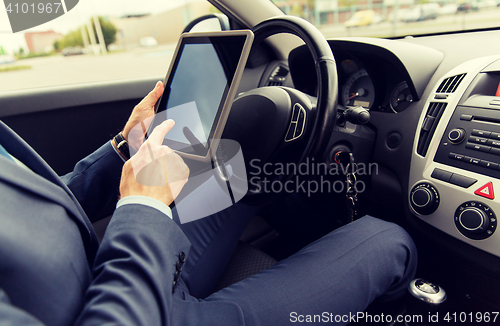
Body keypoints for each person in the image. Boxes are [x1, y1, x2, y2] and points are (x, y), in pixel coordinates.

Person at [0, 81, 417, 326]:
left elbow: (33, 199)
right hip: (132, 309)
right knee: (387, 239)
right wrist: (143, 208)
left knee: (239, 170)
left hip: (109, 265)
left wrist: (123, 150)